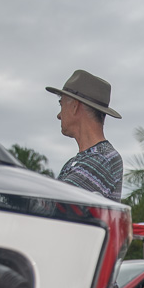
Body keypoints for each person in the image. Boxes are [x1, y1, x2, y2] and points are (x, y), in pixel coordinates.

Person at [46, 69, 124, 203]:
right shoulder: (90, 158)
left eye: (61, 105)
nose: (59, 115)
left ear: (75, 106)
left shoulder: (102, 158)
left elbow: (54, 204)